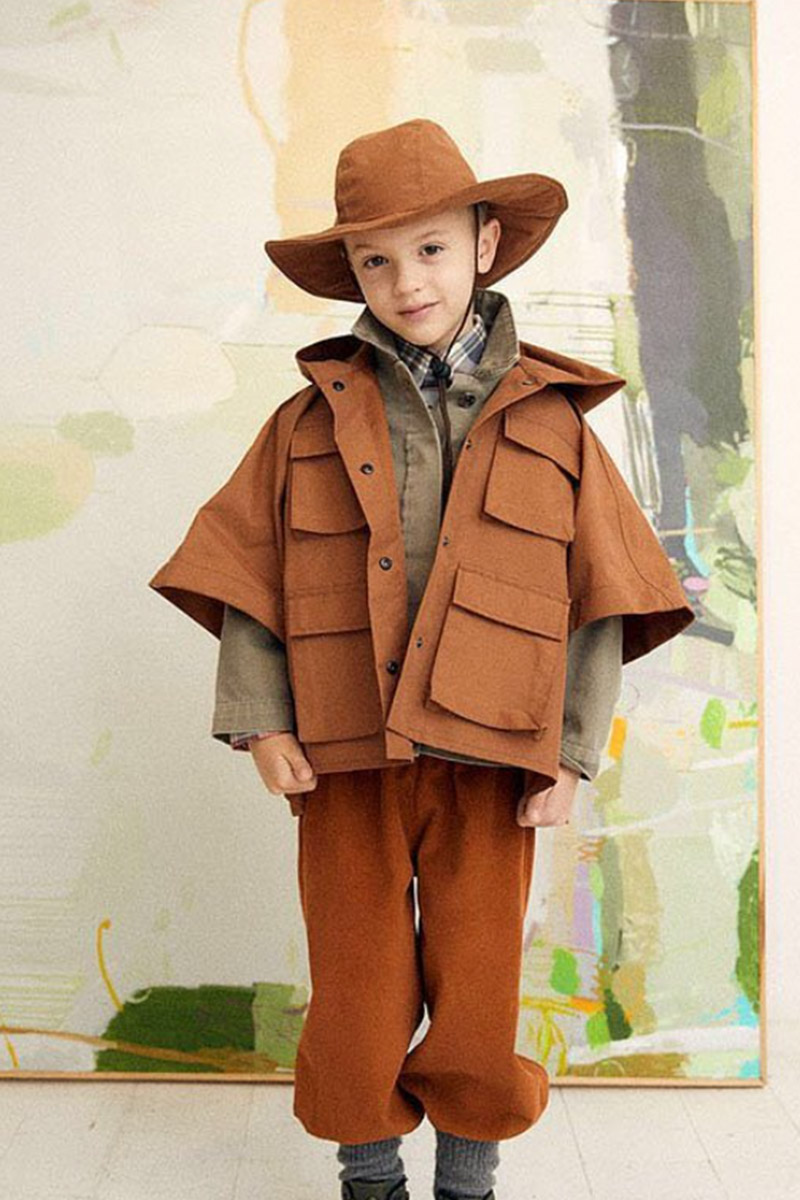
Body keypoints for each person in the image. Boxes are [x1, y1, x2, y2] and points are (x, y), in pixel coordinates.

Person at [149, 119, 695, 1200]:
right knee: (356, 981)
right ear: (351, 273)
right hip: (344, 757)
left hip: (495, 760)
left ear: (485, 243)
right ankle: (369, 1175)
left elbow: (602, 602)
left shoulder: (556, 426)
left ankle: (466, 1179)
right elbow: (247, 575)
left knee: (479, 986)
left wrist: (570, 754)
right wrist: (262, 720)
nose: (407, 282)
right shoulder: (302, 425)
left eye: (432, 248)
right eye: (376, 260)